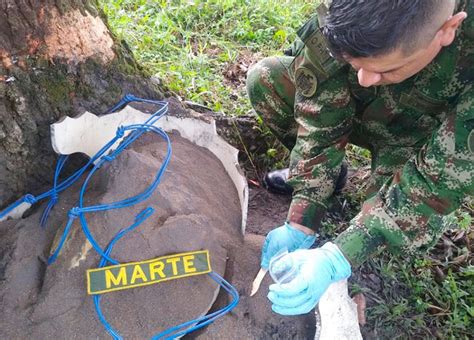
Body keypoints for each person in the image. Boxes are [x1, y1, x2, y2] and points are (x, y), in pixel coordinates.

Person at [246, 0, 473, 316]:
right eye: (356, 65)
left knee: (400, 225)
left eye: (387, 68)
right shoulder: (346, 12)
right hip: (357, 114)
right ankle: (332, 178)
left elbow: (439, 181)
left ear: (447, 29)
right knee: (266, 78)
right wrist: (303, 216)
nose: (365, 78)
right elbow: (319, 119)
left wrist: (340, 255)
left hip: (417, 142)